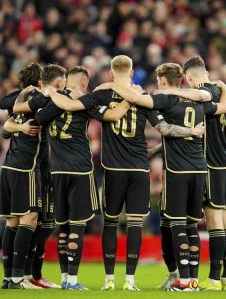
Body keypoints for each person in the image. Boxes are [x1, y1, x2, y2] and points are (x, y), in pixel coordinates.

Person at [47, 55, 200, 291]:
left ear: (111, 73)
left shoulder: (101, 94)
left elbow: (73, 106)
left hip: (113, 168)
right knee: (135, 224)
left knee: (110, 223)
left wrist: (53, 92)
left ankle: (109, 280)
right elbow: (164, 128)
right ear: (130, 74)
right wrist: (192, 130)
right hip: (139, 168)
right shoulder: (142, 97)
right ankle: (130, 281)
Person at [94, 62, 226, 291]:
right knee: (191, 225)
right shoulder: (198, 101)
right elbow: (224, 108)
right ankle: (194, 279)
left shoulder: (165, 99)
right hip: (199, 169)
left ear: (163, 81)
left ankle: (184, 281)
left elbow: (137, 100)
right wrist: (224, 89)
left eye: (158, 81)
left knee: (176, 224)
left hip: (178, 171)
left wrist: (111, 84)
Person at [157, 56, 226, 291]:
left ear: (190, 77)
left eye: (187, 81)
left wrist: (173, 92)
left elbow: (203, 99)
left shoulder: (204, 92)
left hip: (209, 163)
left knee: (214, 222)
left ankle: (213, 279)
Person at [35, 66, 130, 290]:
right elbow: (114, 115)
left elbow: (39, 118)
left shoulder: (51, 101)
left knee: (63, 227)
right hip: (80, 170)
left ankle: (65, 278)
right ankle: (74, 281)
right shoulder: (86, 103)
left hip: (57, 171)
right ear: (84, 84)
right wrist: (130, 98)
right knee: (77, 226)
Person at [0, 64, 65, 289]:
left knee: (13, 221)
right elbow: (9, 124)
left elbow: (5, 125)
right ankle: (20, 276)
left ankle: (9, 277)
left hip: (10, 165)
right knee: (29, 220)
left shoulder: (19, 101)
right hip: (27, 167)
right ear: (41, 82)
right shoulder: (38, 98)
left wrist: (16, 125)